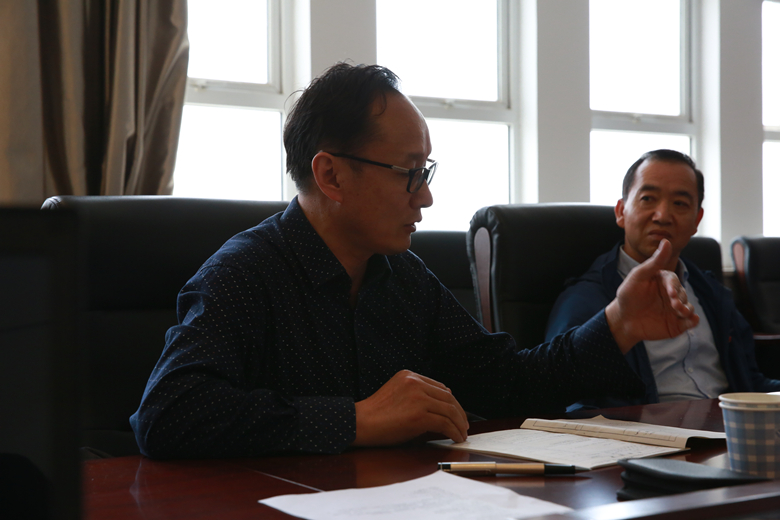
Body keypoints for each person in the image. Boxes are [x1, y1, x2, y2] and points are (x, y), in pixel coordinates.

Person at [130, 65, 698, 459]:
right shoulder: (245, 273)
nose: (425, 197)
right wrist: (356, 419)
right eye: (409, 173)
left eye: (426, 172)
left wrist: (619, 323)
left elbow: (508, 385)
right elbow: (168, 414)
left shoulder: (404, 277)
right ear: (331, 175)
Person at [546, 149, 780, 410]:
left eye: (680, 203)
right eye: (648, 199)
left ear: (697, 220)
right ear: (621, 211)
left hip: (730, 425)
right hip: (646, 430)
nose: (662, 215)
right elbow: (565, 396)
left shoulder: (712, 293)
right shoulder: (585, 298)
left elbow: (750, 383)